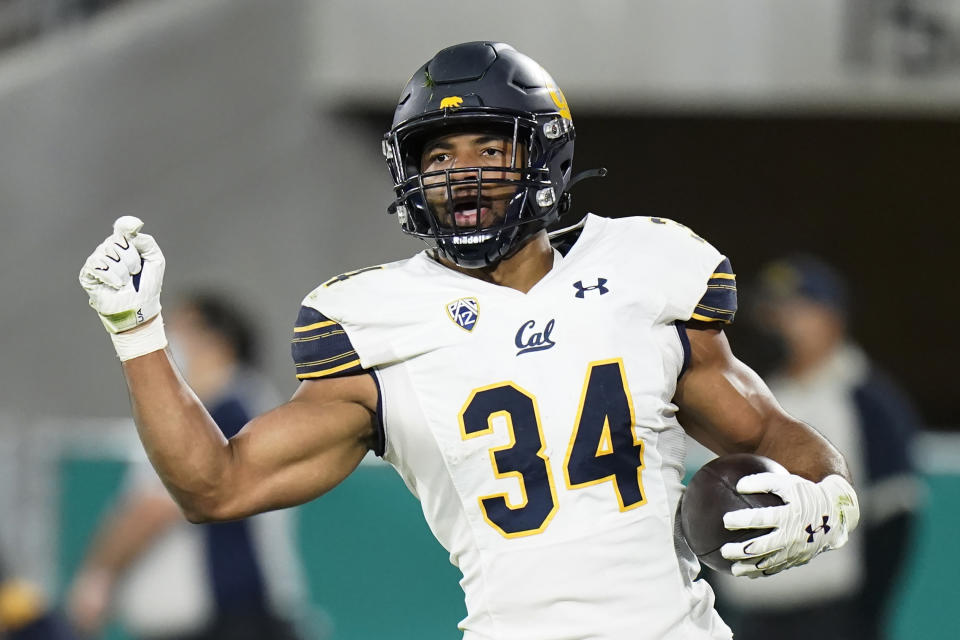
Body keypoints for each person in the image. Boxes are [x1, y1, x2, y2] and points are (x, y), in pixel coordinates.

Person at [77, 42, 861, 639]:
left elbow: (769, 433)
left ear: (542, 155)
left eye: (489, 148)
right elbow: (214, 486)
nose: (463, 174)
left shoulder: (645, 269)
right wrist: (138, 334)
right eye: (440, 155)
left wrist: (825, 500)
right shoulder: (377, 324)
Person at [66, 294, 307, 640]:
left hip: (232, 615)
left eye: (175, 329)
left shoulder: (228, 409)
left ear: (215, 340)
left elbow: (155, 507)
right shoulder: (215, 407)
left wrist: (99, 576)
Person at [711, 256, 921, 640]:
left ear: (831, 318)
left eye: (796, 310)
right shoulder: (757, 396)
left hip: (829, 614)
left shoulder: (864, 398)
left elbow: (894, 510)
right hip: (754, 613)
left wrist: (865, 614)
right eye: (773, 311)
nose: (780, 322)